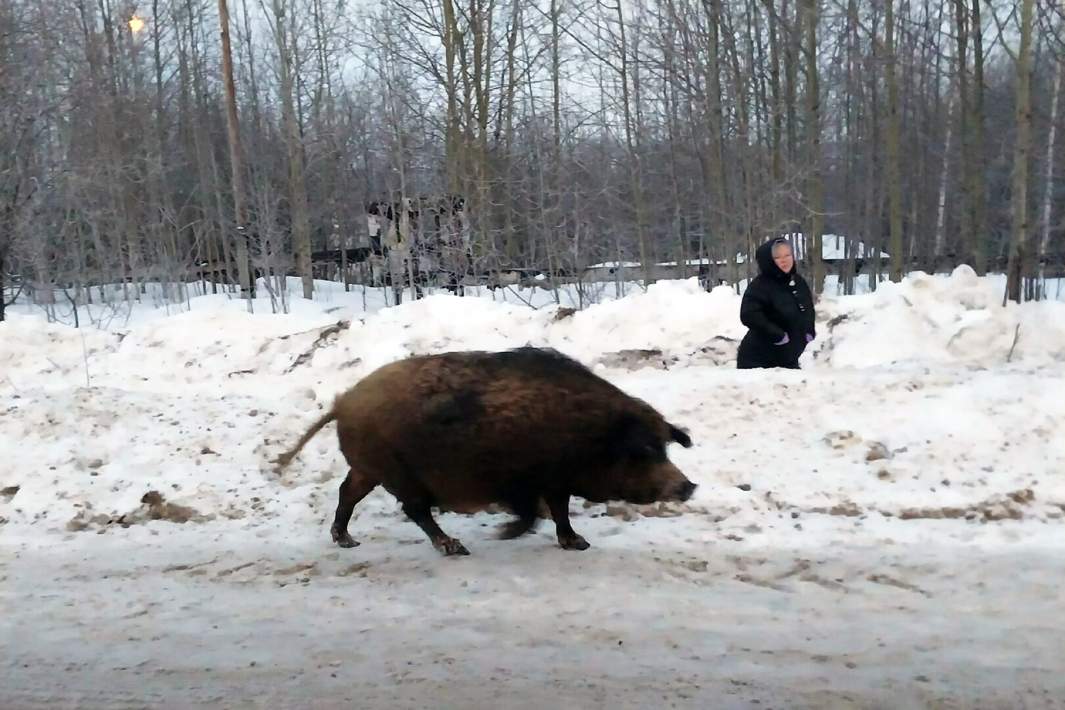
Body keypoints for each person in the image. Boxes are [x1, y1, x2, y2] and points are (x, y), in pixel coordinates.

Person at [736, 237, 816, 369]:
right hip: (759, 360)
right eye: (778, 257)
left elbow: (807, 308)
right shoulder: (760, 285)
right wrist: (777, 335)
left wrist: (809, 330)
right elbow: (749, 315)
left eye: (787, 255)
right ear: (769, 261)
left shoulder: (798, 282)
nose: (784, 260)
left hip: (789, 358)